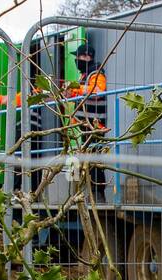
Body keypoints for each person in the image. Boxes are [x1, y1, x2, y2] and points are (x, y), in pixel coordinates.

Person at [65, 42, 108, 199]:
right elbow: (83, 95)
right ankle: (81, 195)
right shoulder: (84, 75)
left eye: (78, 56)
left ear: (86, 57)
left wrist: (76, 89)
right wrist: (70, 94)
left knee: (94, 161)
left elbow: (98, 91)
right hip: (85, 127)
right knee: (82, 161)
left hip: (96, 127)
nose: (76, 59)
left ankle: (98, 196)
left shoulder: (96, 72)